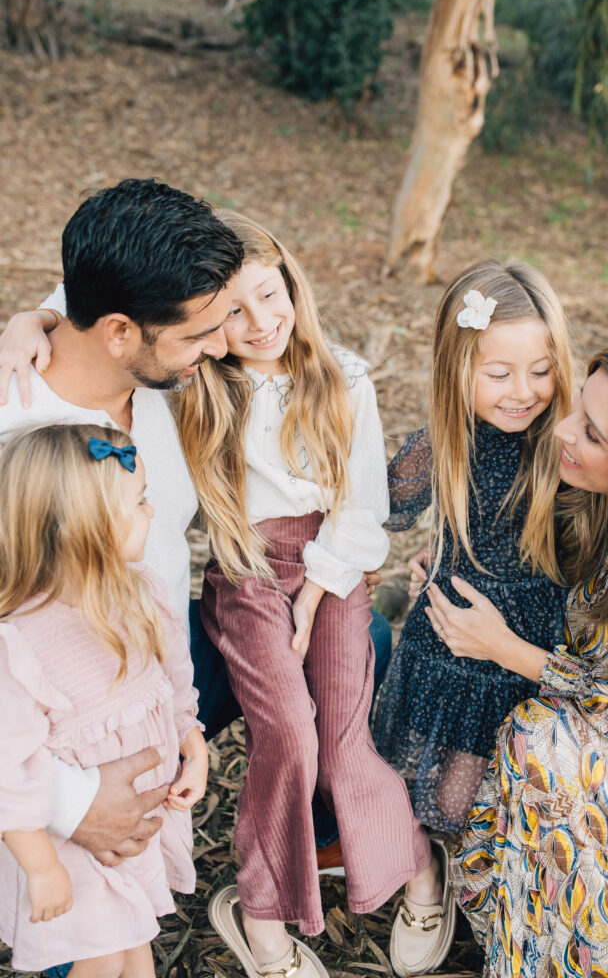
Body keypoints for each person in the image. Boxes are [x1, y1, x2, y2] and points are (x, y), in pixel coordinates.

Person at [0, 180, 391, 885]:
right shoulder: (15, 440)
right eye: (199, 333)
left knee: (360, 637)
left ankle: (327, 834)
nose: (220, 346)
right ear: (120, 332)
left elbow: (90, 284)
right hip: (57, 719)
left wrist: (37, 313)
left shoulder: (167, 384)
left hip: (165, 669)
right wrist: (69, 803)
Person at [173, 210, 453, 978]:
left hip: (336, 563)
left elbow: (362, 504)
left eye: (269, 295)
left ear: (291, 281)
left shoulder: (343, 377)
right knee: (288, 735)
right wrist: (36, 320)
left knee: (342, 741)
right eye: (232, 311)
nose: (260, 323)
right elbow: (105, 300)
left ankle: (419, 871)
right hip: (247, 569)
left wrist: (319, 589)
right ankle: (261, 918)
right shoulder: (195, 387)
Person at [427, 336, 608, 977]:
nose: (563, 429)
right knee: (529, 735)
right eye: (578, 408)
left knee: (541, 747)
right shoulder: (605, 507)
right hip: (604, 715)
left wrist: (506, 650)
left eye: (591, 434)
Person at [373, 261, 573, 839]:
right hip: (450, 641)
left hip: (526, 646)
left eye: (541, 371)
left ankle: (474, 870)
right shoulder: (443, 443)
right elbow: (385, 510)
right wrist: (432, 556)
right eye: (500, 374)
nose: (523, 392)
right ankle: (425, 872)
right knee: (433, 794)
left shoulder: (566, 450)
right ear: (458, 369)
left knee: (483, 794)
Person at [0, 424, 208, 977]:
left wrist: (192, 738)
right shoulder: (21, 643)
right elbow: (9, 769)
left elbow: (173, 676)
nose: (152, 513)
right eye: (139, 502)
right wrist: (41, 867)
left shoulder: (141, 591)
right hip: (68, 846)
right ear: (87, 529)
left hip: (135, 813)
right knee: (101, 957)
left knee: (136, 940)